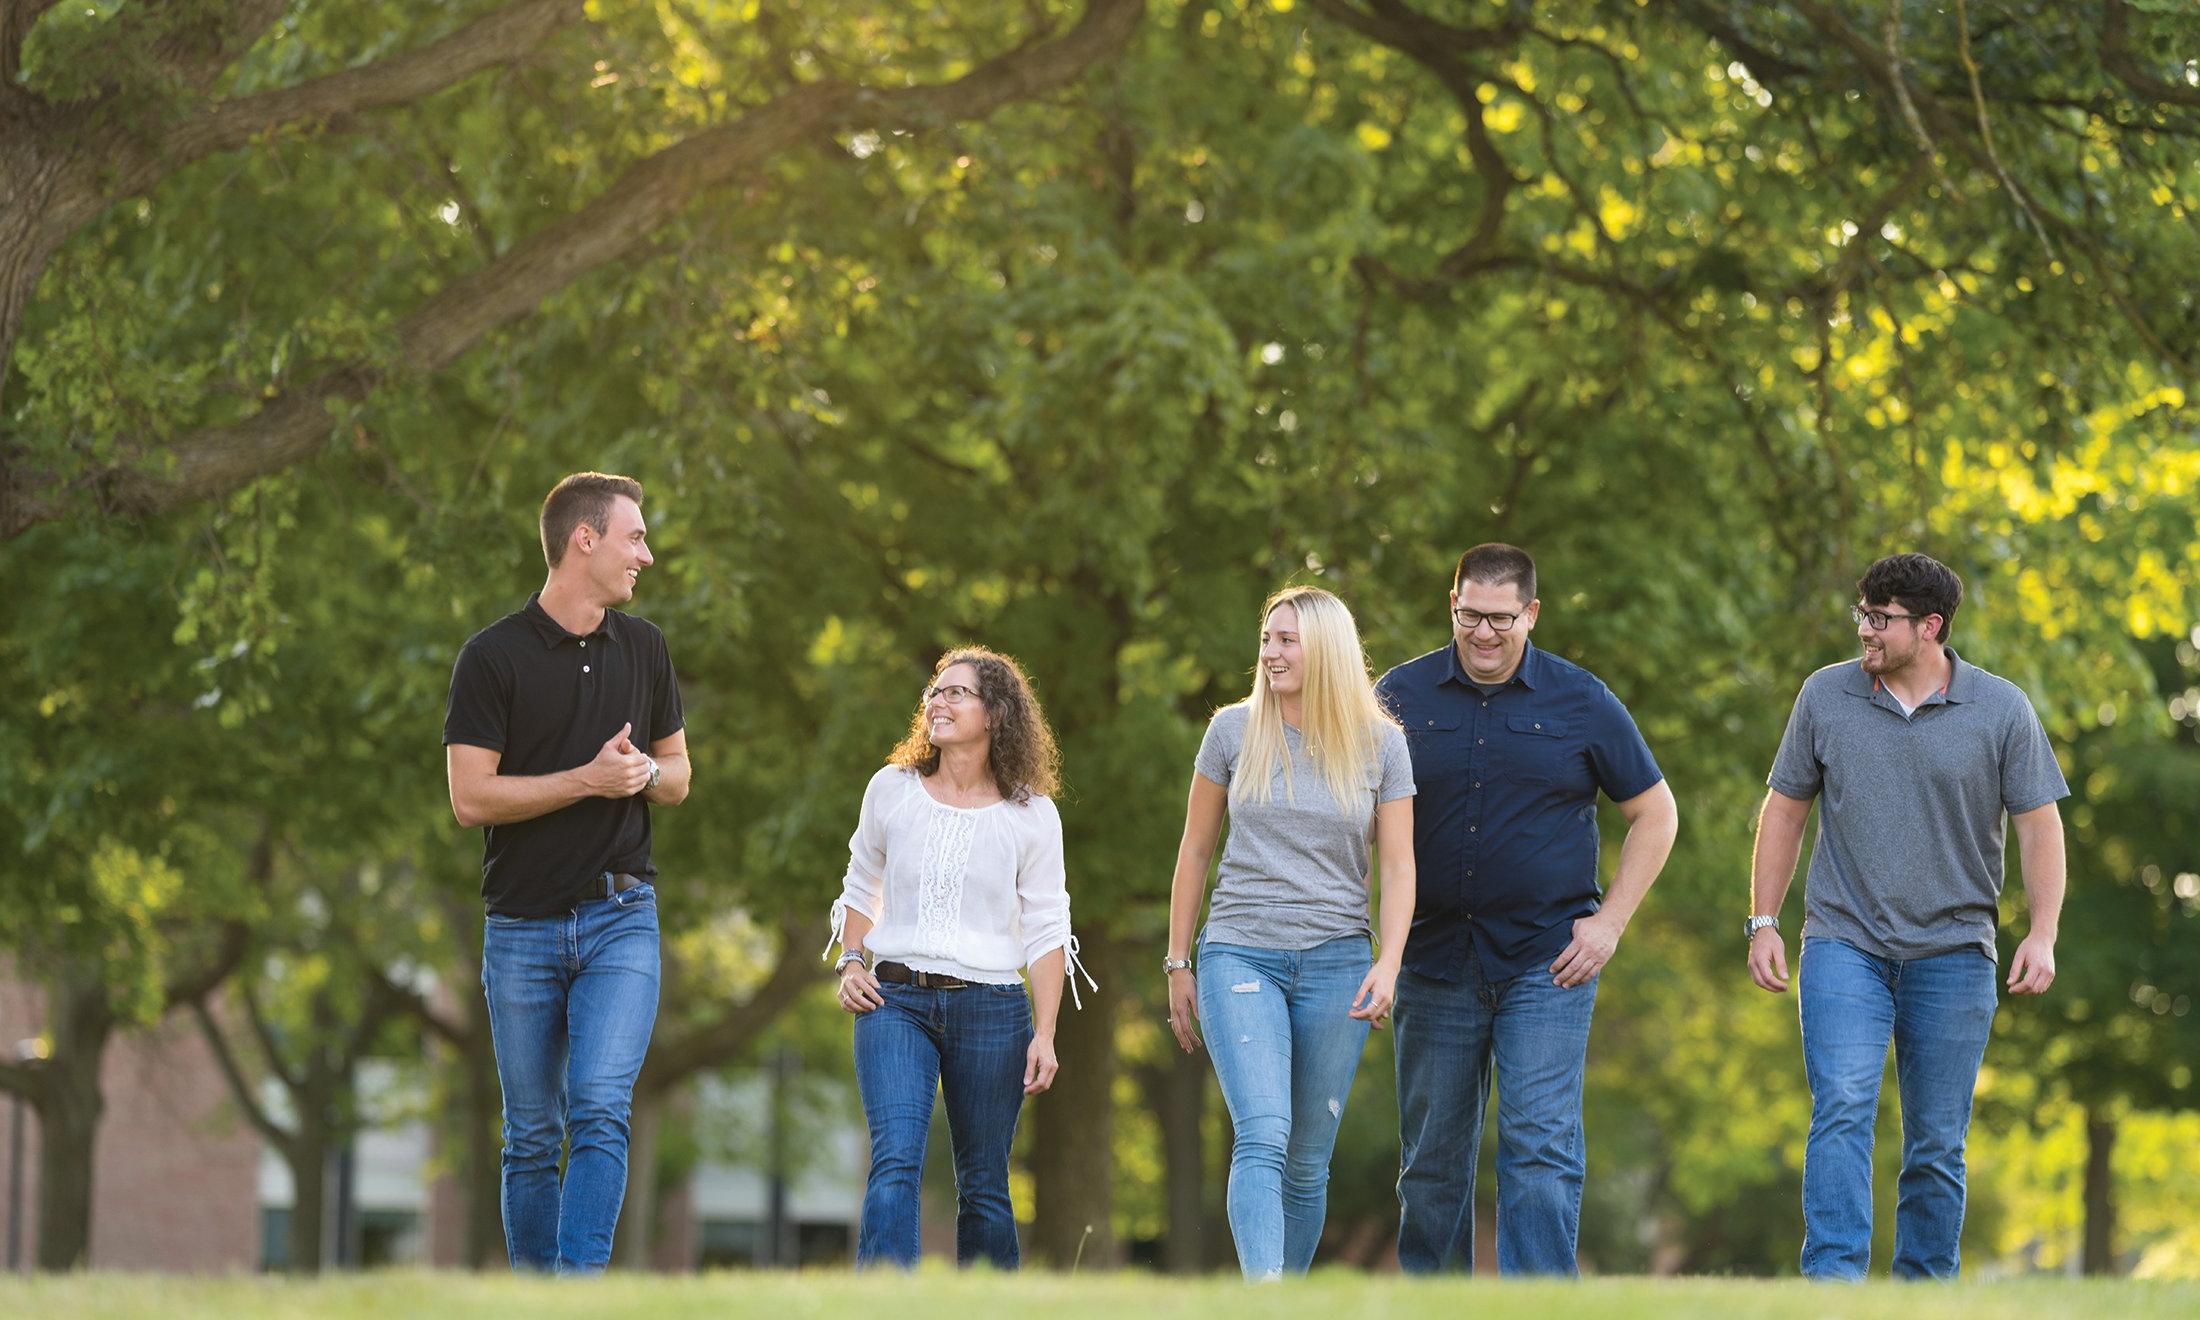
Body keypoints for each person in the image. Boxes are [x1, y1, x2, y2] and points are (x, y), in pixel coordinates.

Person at [1748, 552, 2068, 1280]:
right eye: (1861, 613)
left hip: (1956, 951)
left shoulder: (2001, 709)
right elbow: (1786, 810)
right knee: (1843, 1107)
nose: (1864, 629)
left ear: (1930, 626)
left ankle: (1923, 1293)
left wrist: (2042, 934)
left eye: (1880, 618)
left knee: (1936, 1142)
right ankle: (1833, 1286)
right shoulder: (1825, 696)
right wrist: (1762, 920)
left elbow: (2040, 826)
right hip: (1843, 941)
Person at [1377, 542, 1677, 1276]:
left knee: (1540, 1149)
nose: (1484, 633)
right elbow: (1363, 822)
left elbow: (1657, 813)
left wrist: (1610, 925)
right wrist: (1377, 947)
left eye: (1501, 619)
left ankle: (1538, 1302)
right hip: (1432, 959)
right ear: (1451, 606)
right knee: (1431, 1164)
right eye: (1469, 616)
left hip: (1548, 962)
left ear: (1532, 613)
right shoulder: (1397, 698)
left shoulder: (1582, 700)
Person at [442, 471, 691, 1273]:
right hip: (521, 926)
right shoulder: (491, 657)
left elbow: (678, 773)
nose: (645, 555)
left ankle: (579, 1292)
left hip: (623, 918)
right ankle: (535, 1294)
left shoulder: (646, 648)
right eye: (635, 537)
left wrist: (638, 777)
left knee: (600, 1108)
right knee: (531, 1134)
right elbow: (470, 798)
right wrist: (586, 778)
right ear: (585, 539)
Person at [1164, 585, 1416, 1281]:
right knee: (1264, 1134)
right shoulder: (1232, 731)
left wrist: (1388, 963)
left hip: (1338, 961)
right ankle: (1264, 1300)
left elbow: (1398, 867)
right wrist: (1177, 961)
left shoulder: (1382, 745)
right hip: (1239, 951)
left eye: (1286, 640)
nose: (1269, 652)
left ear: (1326, 650)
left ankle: (1291, 1301)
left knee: (1306, 1160)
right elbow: (1194, 850)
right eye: (1267, 638)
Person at [826, 647, 1091, 1270]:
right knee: (894, 1160)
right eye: (934, 692)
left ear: (995, 712)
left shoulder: (1032, 815)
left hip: (993, 1010)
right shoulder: (891, 788)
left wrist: (1046, 1033)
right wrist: (851, 960)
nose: (936, 702)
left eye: (955, 693)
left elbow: (1050, 929)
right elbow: (862, 883)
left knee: (986, 1186)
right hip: (894, 1001)